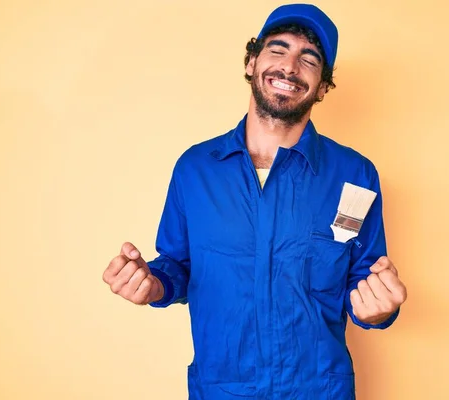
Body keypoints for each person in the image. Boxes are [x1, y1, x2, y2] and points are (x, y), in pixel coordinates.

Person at [102, 4, 407, 399]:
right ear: (251, 63)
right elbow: (177, 267)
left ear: (324, 86)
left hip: (319, 391)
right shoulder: (195, 170)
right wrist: (151, 283)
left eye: (309, 58)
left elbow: (364, 278)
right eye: (277, 50)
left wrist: (379, 309)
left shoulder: (355, 175)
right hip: (222, 389)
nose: (290, 66)